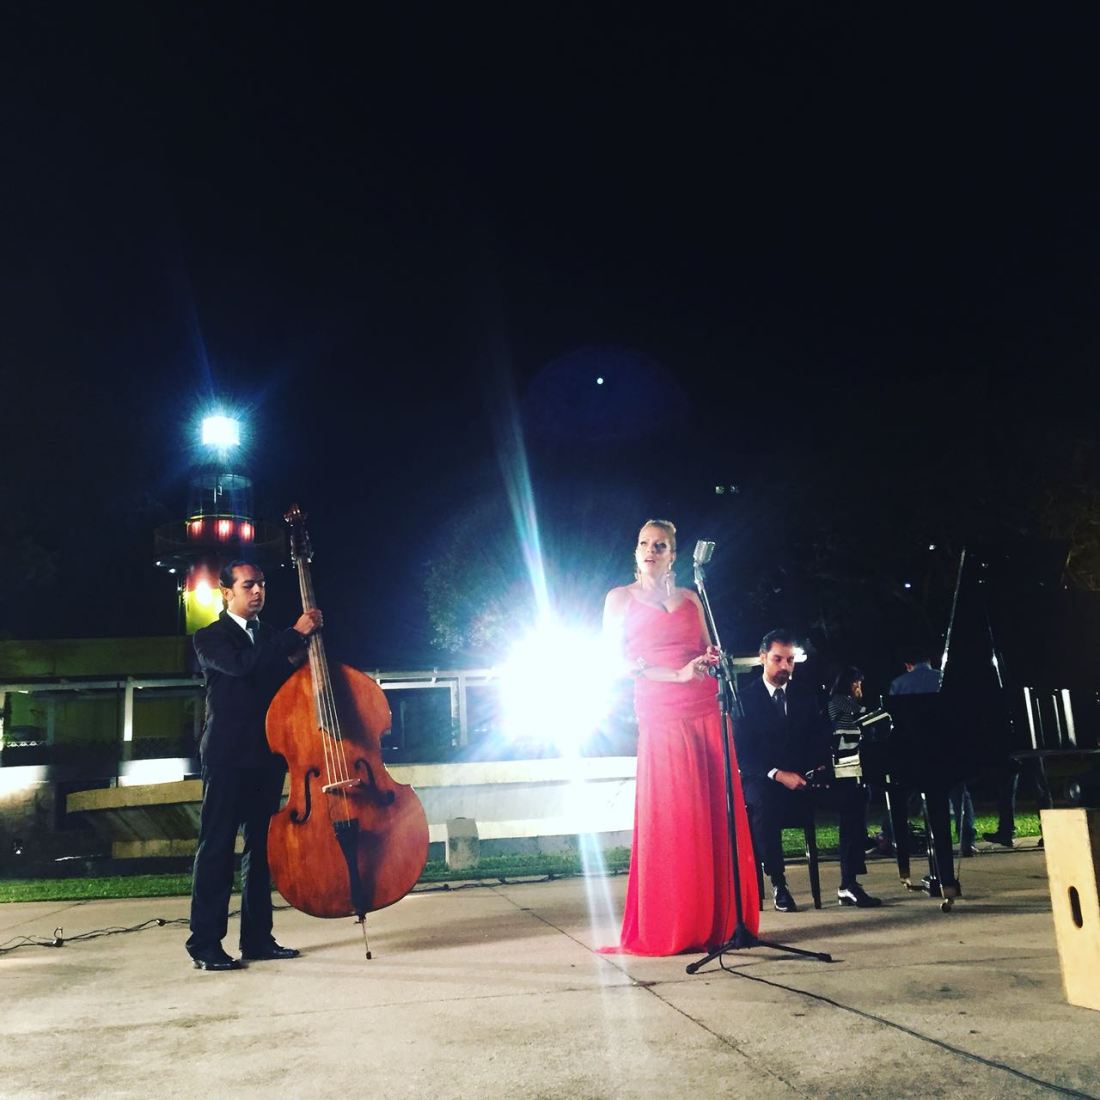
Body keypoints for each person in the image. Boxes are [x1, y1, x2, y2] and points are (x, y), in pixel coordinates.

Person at [600, 519, 759, 955]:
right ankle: (678, 920)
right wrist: (675, 674)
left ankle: (721, 919)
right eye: (644, 544)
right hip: (661, 707)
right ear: (636, 552)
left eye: (660, 545)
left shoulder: (691, 597)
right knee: (676, 809)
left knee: (715, 806)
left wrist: (708, 660)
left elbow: (706, 647)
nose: (650, 550)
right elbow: (614, 663)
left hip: (706, 705)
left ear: (673, 554)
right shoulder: (620, 598)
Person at [186, 560, 323, 971]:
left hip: (266, 755)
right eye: (249, 585)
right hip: (226, 757)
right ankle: (205, 944)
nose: (258, 591)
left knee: (262, 851)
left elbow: (272, 675)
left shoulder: (267, 636)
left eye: (262, 584)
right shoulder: (210, 637)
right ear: (227, 592)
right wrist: (294, 635)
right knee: (217, 847)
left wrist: (300, 657)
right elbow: (242, 666)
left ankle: (258, 939)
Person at [734, 630, 882, 911]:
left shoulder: (805, 694)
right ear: (763, 658)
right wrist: (779, 774)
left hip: (805, 777)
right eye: (778, 659)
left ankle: (849, 883)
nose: (785, 667)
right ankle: (779, 883)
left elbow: (818, 735)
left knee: (856, 794)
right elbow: (743, 754)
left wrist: (823, 763)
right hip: (766, 779)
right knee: (762, 804)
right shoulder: (744, 698)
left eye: (790, 660)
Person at [888, 651, 977, 857]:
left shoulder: (899, 683)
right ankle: (966, 840)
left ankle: (893, 836)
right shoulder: (942, 678)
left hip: (914, 748)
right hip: (946, 746)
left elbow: (893, 718)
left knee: (903, 794)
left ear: (908, 664)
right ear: (929, 661)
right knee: (959, 795)